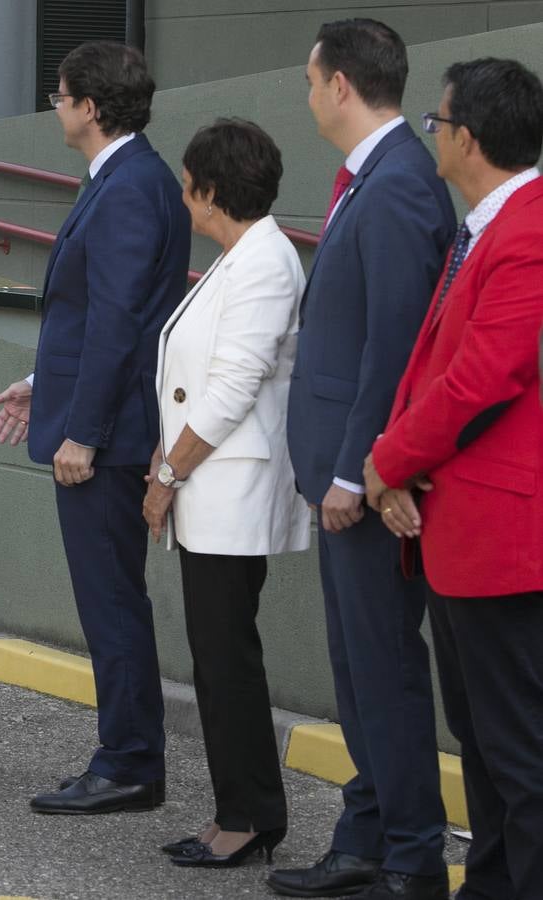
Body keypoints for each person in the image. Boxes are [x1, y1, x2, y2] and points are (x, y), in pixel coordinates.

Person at [272, 20, 456, 900]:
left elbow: (394, 349)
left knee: (380, 669)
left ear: (339, 84)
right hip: (343, 473)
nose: (307, 96)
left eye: (310, 82)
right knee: (357, 670)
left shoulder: (393, 190)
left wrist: (355, 471)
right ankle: (368, 834)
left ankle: (412, 858)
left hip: (364, 480)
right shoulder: (374, 179)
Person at [0, 41, 190, 814]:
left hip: (109, 439)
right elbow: (103, 319)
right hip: (99, 418)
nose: (56, 105)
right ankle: (127, 754)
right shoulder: (124, 178)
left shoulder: (131, 187)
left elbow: (116, 323)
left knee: (110, 601)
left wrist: (84, 433)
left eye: (61, 94)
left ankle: (131, 762)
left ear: (91, 108)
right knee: (110, 598)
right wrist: (45, 386)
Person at [364, 58, 543, 900]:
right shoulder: (488, 223)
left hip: (502, 539)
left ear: (465, 137)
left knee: (518, 753)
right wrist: (401, 460)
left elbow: (484, 375)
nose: (431, 133)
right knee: (480, 741)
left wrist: (388, 460)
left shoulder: (527, 227)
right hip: (458, 526)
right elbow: (439, 369)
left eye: (436, 123)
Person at [141, 119, 310, 869]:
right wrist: (166, 453)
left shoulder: (264, 262)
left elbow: (234, 385)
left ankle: (248, 817)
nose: (182, 198)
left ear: (211, 190)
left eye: (186, 185)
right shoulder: (239, 256)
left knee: (225, 657)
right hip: (209, 484)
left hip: (227, 490)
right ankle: (235, 810)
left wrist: (168, 473)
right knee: (215, 657)